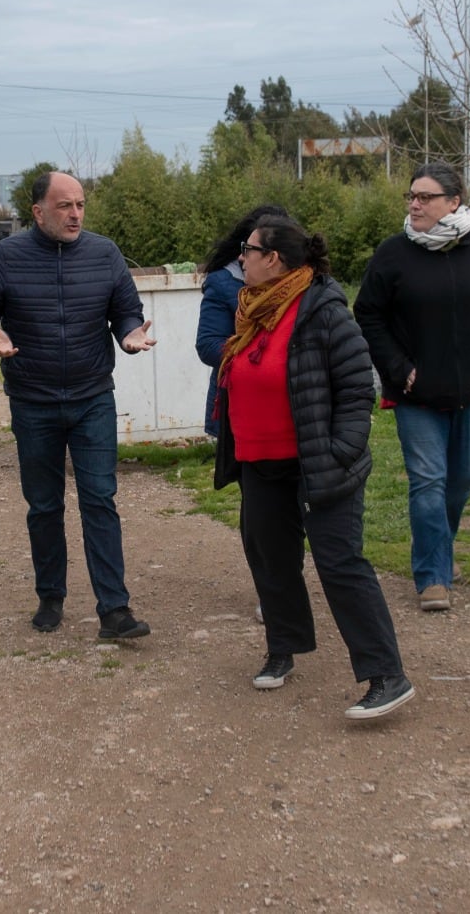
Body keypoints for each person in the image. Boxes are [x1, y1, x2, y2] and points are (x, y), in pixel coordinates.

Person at [214, 214, 414, 720]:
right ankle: (284, 649)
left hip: (319, 462)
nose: (242, 258)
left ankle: (387, 675)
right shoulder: (252, 307)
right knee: (272, 559)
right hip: (260, 462)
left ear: (273, 258)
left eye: (249, 249)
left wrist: (342, 449)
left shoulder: (321, 308)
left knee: (340, 564)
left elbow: (355, 386)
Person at [0, 171, 157, 639]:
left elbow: (126, 311)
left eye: (81, 205)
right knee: (44, 505)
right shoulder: (7, 257)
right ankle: (51, 595)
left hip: (92, 398)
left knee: (99, 499)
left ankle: (114, 610)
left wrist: (129, 334)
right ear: (38, 211)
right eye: (65, 206)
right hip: (33, 402)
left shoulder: (105, 253)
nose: (75, 214)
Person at [353, 162, 470, 613]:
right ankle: (433, 575)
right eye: (411, 196)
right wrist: (396, 366)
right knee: (428, 480)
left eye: (425, 197)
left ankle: (438, 545)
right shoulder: (394, 253)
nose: (414, 204)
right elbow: (368, 313)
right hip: (417, 389)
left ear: (454, 202)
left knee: (466, 474)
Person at [196, 204, 288, 625]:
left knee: (294, 508)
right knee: (260, 509)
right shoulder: (222, 285)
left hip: (294, 411)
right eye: (247, 246)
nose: (245, 256)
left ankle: (288, 582)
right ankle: (272, 592)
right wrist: (254, 360)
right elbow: (208, 344)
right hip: (242, 411)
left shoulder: (308, 284)